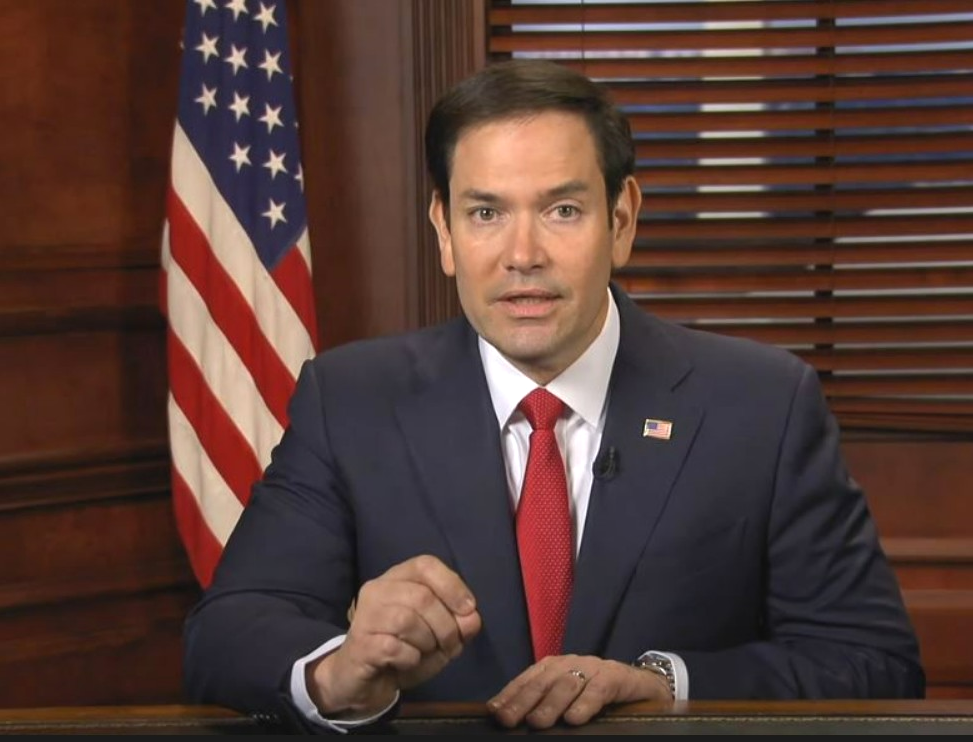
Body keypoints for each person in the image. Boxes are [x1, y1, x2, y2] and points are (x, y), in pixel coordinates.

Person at [181, 58, 925, 733]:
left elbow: (873, 663)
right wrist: (338, 672)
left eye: (562, 210)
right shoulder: (350, 401)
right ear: (444, 231)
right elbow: (226, 635)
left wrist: (666, 687)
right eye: (486, 213)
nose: (523, 255)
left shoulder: (762, 403)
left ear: (621, 220)